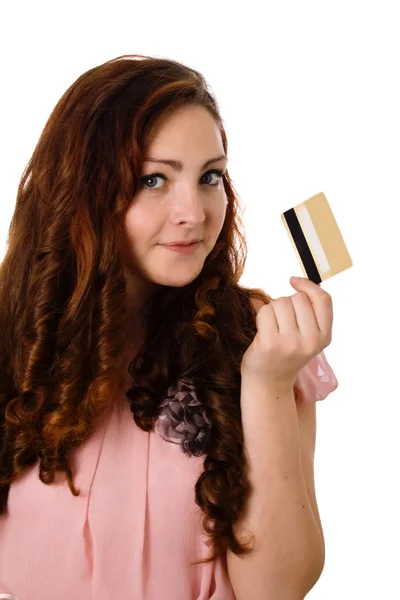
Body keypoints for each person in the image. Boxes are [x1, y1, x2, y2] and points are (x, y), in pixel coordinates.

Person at [0, 54, 338, 600]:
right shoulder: (15, 338)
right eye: (153, 179)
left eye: (211, 177)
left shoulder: (262, 340)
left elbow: (276, 590)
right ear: (82, 193)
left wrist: (268, 385)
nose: (195, 212)